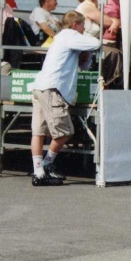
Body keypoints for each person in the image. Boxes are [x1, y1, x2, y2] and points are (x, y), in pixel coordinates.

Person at [30, 10, 100, 186]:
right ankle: (47, 164)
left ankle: (38, 171)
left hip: (41, 86)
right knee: (65, 132)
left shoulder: (61, 37)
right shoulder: (70, 35)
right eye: (83, 25)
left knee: (38, 131)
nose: (84, 29)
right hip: (53, 89)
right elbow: (96, 43)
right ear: (75, 24)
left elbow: (82, 62)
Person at [76, 0, 122, 89]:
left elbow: (113, 20)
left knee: (114, 53)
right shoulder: (87, 6)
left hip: (91, 46)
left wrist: (115, 21)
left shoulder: (95, 8)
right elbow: (108, 22)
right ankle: (107, 85)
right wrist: (114, 21)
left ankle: (106, 84)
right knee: (114, 53)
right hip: (83, 47)